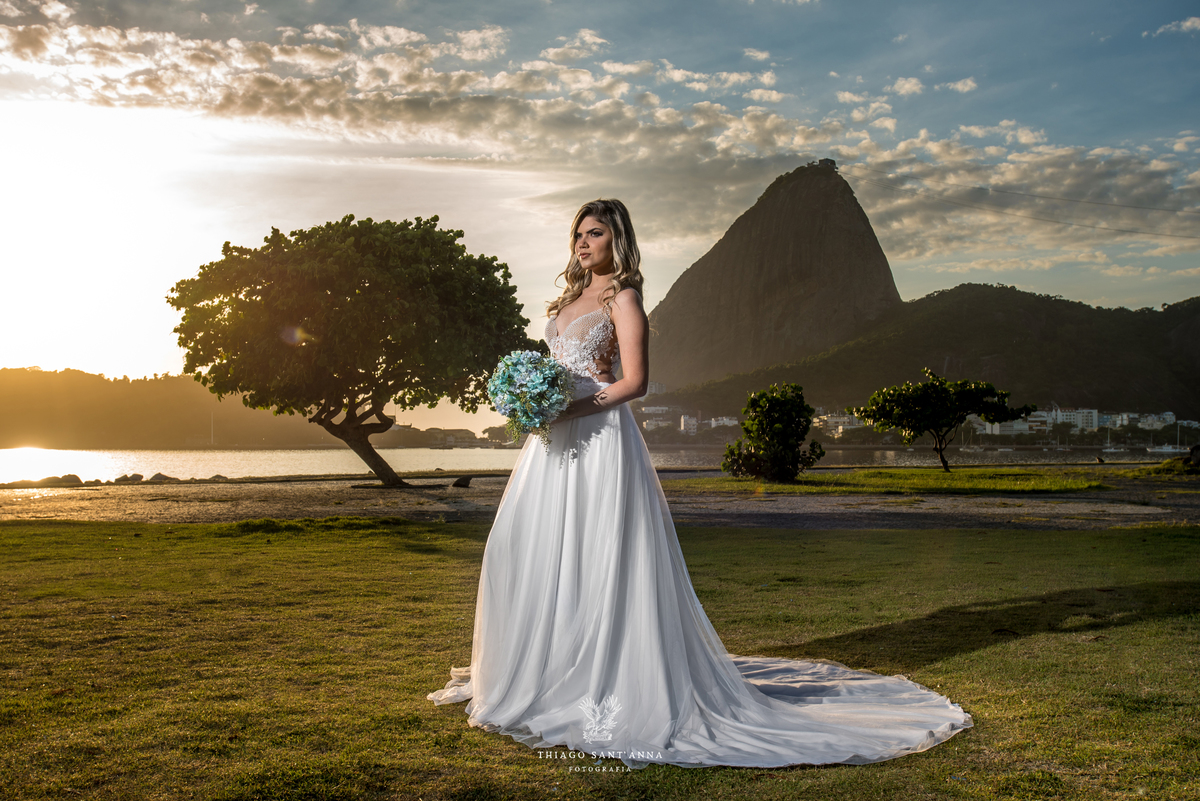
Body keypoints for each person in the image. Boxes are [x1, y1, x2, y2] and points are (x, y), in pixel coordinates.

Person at [428, 198, 972, 768]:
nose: (583, 244)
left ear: (617, 241)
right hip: (549, 449)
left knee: (600, 556)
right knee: (530, 551)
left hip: (598, 441)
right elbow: (558, 371)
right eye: (578, 235)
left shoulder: (625, 299)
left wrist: (567, 410)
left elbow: (636, 383)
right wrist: (534, 399)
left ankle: (604, 679)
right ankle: (543, 668)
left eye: (595, 234)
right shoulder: (566, 301)